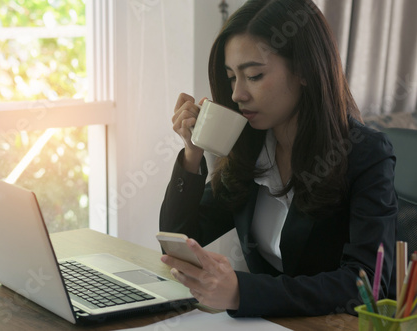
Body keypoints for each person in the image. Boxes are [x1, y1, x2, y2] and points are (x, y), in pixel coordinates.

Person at [159, 0, 398, 317]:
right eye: (232, 77)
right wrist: (192, 153)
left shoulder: (365, 154)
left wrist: (241, 292)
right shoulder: (251, 146)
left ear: (304, 71)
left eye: (254, 76)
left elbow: (366, 284)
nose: (237, 94)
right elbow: (180, 240)